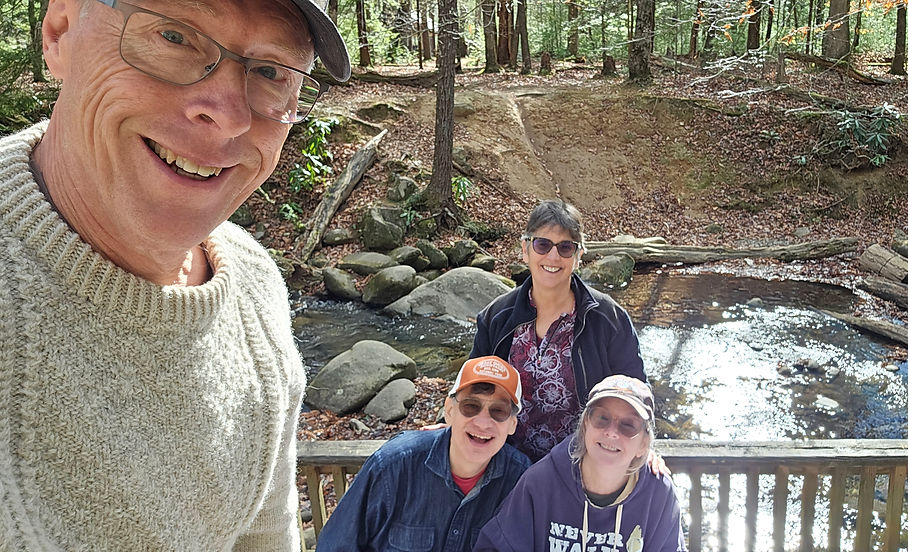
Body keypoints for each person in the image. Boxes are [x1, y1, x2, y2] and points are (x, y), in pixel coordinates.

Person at [0, 0, 349, 549]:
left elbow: (265, 538)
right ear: (60, 29)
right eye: (175, 36)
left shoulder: (256, 288)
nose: (229, 114)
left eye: (269, 73)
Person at [470, 199, 646, 462]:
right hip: (506, 464)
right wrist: (451, 425)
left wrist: (645, 442)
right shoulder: (497, 317)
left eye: (565, 248)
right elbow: (472, 387)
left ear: (578, 256)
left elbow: (635, 391)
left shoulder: (607, 318)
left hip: (582, 464)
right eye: (542, 244)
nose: (553, 257)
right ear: (525, 249)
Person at [315, 356, 532, 552]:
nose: (483, 422)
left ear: (512, 424)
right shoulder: (392, 465)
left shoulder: (522, 483)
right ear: (449, 410)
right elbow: (336, 545)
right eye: (471, 406)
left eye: (498, 411)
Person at [474, 375, 687, 552]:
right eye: (602, 418)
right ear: (585, 424)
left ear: (644, 444)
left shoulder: (659, 494)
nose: (611, 433)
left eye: (628, 425)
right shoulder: (540, 482)